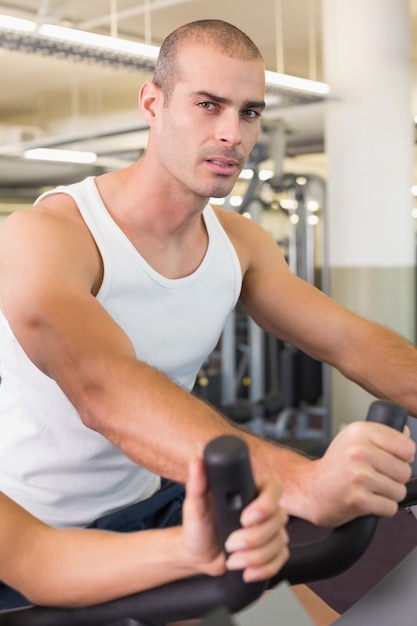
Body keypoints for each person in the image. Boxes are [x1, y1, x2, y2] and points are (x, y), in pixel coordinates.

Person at [0, 18, 414, 623]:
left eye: (249, 112)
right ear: (153, 102)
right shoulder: (50, 234)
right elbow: (100, 387)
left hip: (158, 497)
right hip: (36, 527)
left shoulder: (239, 243)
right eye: (208, 104)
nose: (231, 133)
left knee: (305, 613)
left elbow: (347, 339)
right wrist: (301, 482)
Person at [0, 455, 289, 609]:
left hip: (146, 516)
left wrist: (187, 550)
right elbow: (34, 560)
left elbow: (36, 555)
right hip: (35, 582)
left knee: (290, 616)